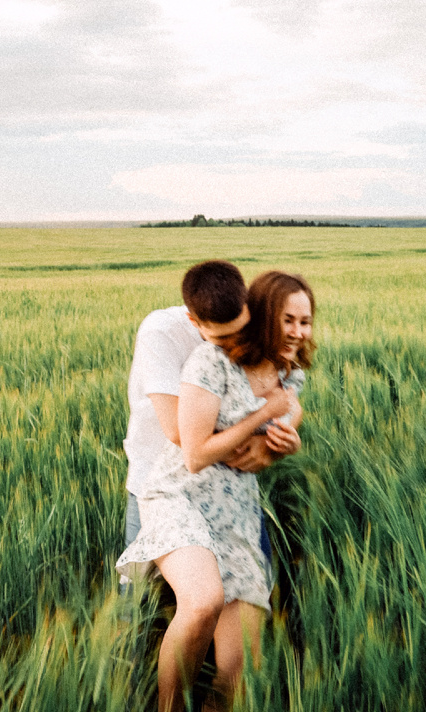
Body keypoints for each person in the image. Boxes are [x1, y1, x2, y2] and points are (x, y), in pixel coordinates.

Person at [118, 269, 316, 711]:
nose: (298, 332)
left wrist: (283, 441)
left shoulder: (287, 370)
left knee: (241, 665)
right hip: (175, 491)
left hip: (237, 505)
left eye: (305, 322)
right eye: (288, 320)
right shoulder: (199, 352)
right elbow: (190, 447)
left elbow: (287, 412)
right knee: (174, 608)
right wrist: (261, 419)